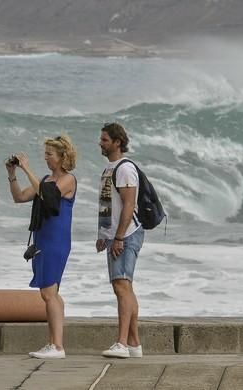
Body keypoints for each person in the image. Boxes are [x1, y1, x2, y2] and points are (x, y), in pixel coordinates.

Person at [6, 135, 77, 359]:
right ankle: (55, 343)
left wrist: (27, 169)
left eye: (49, 154)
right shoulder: (45, 179)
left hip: (56, 241)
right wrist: (12, 174)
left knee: (48, 293)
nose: (46, 158)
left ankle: (57, 347)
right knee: (51, 293)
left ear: (62, 157)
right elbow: (19, 197)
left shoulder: (68, 180)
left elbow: (48, 196)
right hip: (42, 240)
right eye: (45, 154)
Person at [96, 122, 144, 359]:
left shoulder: (125, 169)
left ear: (117, 142)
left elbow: (128, 205)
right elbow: (108, 204)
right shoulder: (109, 168)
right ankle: (134, 343)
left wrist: (118, 237)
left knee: (121, 286)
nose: (100, 143)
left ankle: (122, 343)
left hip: (126, 234)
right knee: (124, 288)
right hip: (114, 235)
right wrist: (103, 235)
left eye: (105, 140)